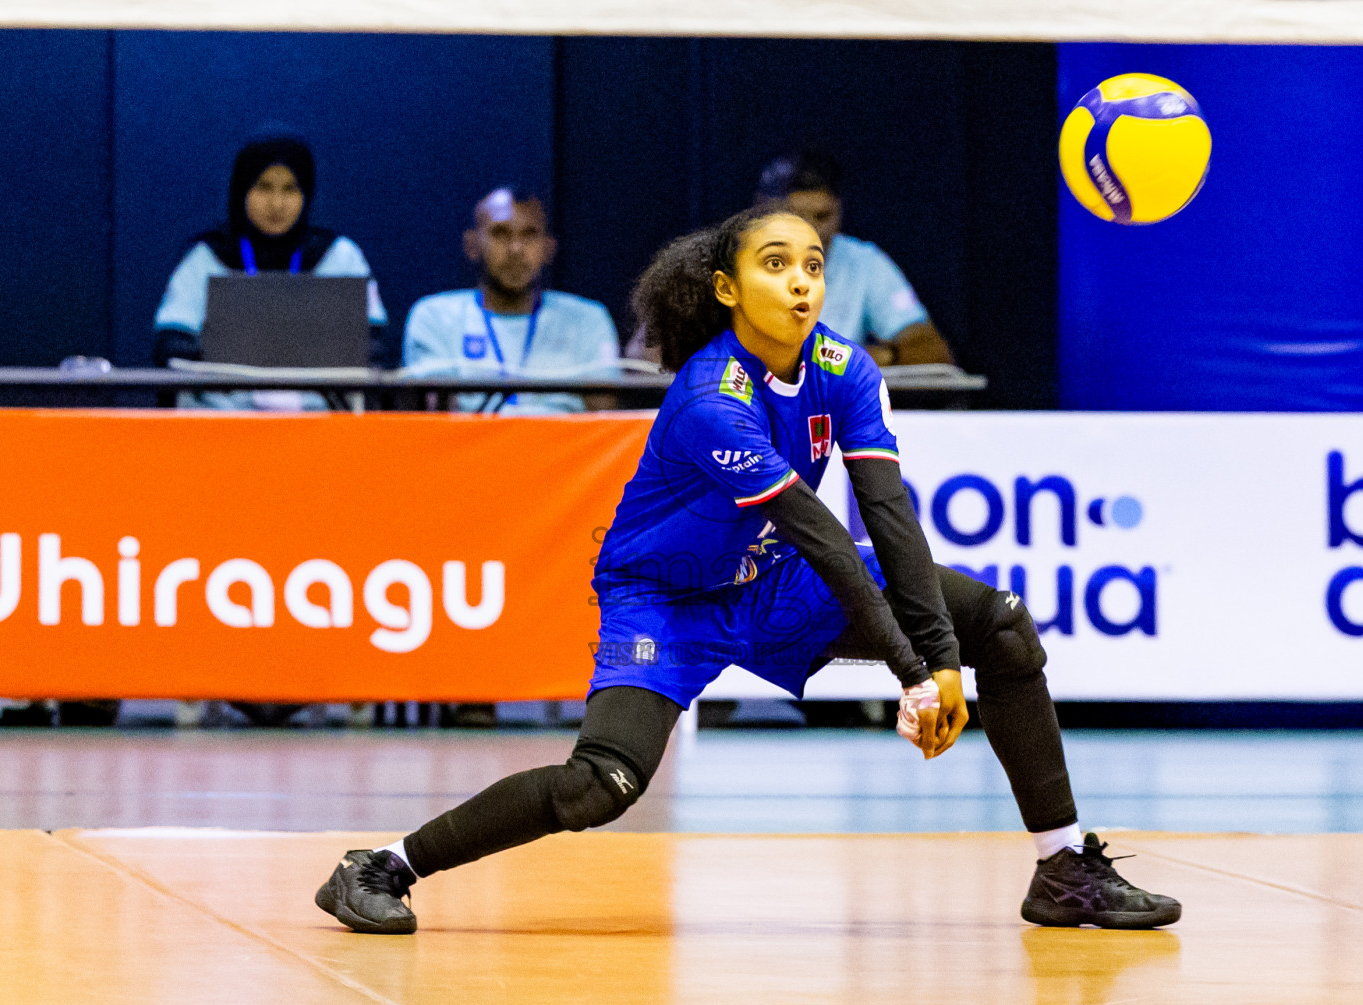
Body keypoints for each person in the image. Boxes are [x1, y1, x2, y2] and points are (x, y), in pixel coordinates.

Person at [314, 208, 1181, 934]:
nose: (802, 281)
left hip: (770, 579)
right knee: (601, 785)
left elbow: (887, 516)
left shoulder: (844, 367)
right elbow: (823, 537)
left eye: (813, 264)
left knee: (1000, 624)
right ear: (728, 288)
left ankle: (1063, 869)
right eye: (776, 264)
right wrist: (916, 675)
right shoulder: (708, 397)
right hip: (669, 597)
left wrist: (948, 660)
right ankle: (383, 865)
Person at [153, 134, 389, 410]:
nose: (277, 204)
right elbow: (172, 346)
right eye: (264, 187)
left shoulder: (339, 257)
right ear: (241, 190)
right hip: (223, 423)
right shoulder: (207, 257)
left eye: (290, 189)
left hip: (322, 427)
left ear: (307, 193)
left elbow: (372, 348)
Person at [402, 187, 619, 414]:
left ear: (549, 248)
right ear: (472, 245)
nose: (516, 249)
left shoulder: (588, 320)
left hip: (567, 447)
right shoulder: (433, 317)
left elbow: (604, 423)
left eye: (529, 234)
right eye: (500, 233)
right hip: (469, 447)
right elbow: (439, 420)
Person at [756, 150, 953, 367]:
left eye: (822, 216)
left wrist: (877, 357)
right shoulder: (728, 262)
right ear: (763, 210)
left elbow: (932, 351)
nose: (810, 232)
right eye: (796, 217)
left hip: (838, 400)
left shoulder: (862, 262)